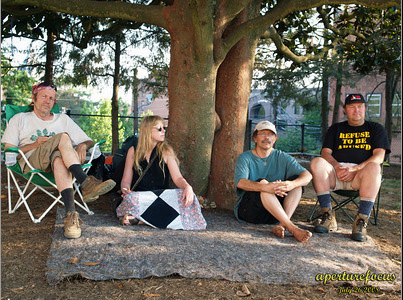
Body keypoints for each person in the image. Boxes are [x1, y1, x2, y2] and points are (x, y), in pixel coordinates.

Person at [1, 82, 116, 239]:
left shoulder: (62, 119)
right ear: (33, 98)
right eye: (44, 96)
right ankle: (86, 182)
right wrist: (35, 145)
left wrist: (82, 145)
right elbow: (10, 152)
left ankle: (70, 216)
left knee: (58, 159)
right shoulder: (20, 119)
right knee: (63, 137)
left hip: (59, 165)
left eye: (51, 98)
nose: (48, 101)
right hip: (33, 164)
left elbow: (88, 141)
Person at [310, 93, 390, 242]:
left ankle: (360, 221)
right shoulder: (336, 129)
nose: (356, 110)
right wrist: (337, 166)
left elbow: (379, 156)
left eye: (360, 106)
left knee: (374, 167)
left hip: (361, 177)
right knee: (317, 162)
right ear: (345, 110)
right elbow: (325, 152)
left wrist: (356, 169)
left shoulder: (376, 129)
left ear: (365, 108)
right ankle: (327, 215)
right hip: (336, 174)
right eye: (352, 107)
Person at [117, 115, 206, 230]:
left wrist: (187, 187)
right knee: (130, 199)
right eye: (159, 129)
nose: (163, 131)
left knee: (183, 196)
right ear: (148, 130)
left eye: (164, 128)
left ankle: (140, 220)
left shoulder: (166, 151)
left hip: (162, 197)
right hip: (140, 197)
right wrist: (126, 191)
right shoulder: (133, 150)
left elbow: (178, 178)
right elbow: (126, 181)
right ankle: (146, 219)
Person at [234, 121, 313, 242]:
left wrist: (291, 184)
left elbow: (307, 176)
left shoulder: (282, 157)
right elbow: (240, 182)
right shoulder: (245, 157)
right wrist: (265, 187)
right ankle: (291, 228)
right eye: (263, 133)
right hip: (250, 211)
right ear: (255, 138)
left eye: (270, 134)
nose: (267, 137)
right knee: (264, 183)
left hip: (274, 214)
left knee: (297, 184)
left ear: (275, 139)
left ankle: (281, 225)